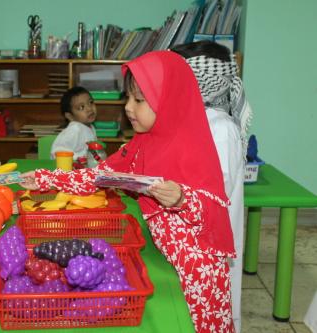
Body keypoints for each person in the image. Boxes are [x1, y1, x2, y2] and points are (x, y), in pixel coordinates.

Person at [21, 51, 236, 332]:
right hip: (167, 260)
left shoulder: (192, 146)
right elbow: (100, 177)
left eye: (139, 100)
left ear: (168, 100)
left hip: (197, 273)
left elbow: (212, 212)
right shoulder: (143, 142)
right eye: (127, 98)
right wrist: (47, 178)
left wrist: (183, 198)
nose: (128, 108)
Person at [171, 40, 252, 333]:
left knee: (213, 313)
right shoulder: (189, 120)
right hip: (187, 243)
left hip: (209, 245)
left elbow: (212, 191)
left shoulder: (220, 128)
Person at [50, 86, 98, 160]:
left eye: (90, 102)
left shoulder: (89, 126)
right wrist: (79, 159)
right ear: (70, 116)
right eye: (81, 107)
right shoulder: (74, 130)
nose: (89, 108)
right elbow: (57, 152)